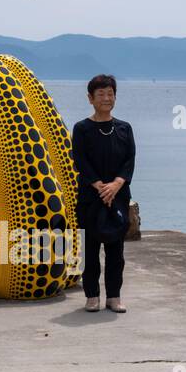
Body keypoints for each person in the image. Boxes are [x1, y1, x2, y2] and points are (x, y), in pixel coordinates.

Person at [71, 74, 136, 313]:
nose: (106, 98)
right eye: (101, 94)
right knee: (90, 250)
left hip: (117, 197)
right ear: (90, 98)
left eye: (110, 94)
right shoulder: (82, 129)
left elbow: (130, 160)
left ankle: (114, 297)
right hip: (91, 197)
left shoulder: (124, 128)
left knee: (116, 252)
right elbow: (79, 160)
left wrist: (116, 184)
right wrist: (99, 185)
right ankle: (91, 296)